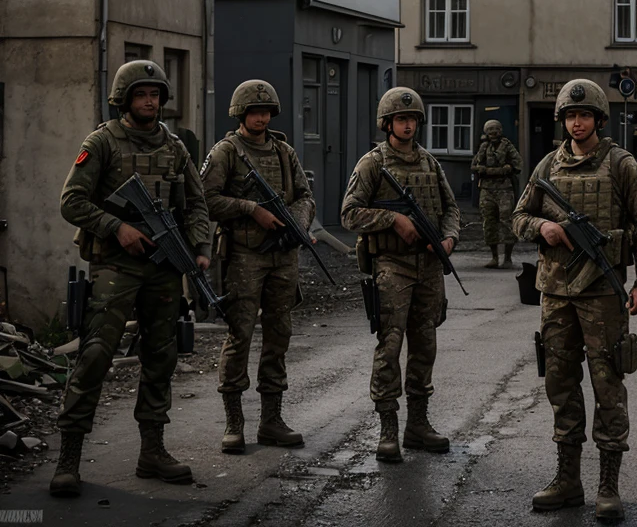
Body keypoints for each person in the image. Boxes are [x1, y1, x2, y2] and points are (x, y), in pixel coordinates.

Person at [49, 60, 212, 497]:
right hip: (115, 266)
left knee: (161, 357)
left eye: (155, 94)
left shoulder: (175, 147)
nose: (150, 101)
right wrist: (116, 227)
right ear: (124, 99)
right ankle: (69, 458)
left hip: (162, 268)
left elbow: (196, 204)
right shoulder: (101, 142)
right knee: (97, 353)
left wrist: (199, 250)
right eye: (141, 94)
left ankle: (152, 451)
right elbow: (72, 201)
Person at [511, 79, 637, 523]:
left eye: (585, 116)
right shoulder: (546, 168)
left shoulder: (620, 165)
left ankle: (608, 484)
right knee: (559, 383)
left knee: (608, 385)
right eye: (571, 116)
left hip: (603, 292)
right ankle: (568, 479)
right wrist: (543, 228)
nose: (577, 123)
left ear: (598, 119)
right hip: (556, 292)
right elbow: (519, 216)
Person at [341, 87, 461, 463]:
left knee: (425, 345)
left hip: (428, 266)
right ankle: (388, 428)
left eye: (412, 119)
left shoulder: (430, 163)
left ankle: (418, 425)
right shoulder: (372, 164)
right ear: (387, 123)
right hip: (391, 266)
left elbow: (450, 209)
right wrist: (393, 219)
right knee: (390, 346)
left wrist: (449, 238)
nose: (408, 125)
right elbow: (349, 213)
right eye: (401, 119)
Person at [201, 80, 315, 453]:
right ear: (240, 114)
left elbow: (304, 196)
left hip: (283, 256)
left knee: (279, 335)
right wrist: (252, 210)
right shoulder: (226, 153)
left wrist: (296, 222)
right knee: (240, 336)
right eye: (254, 111)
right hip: (244, 257)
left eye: (266, 112)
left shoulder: (283, 151)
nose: (261, 117)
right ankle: (234, 422)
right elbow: (206, 200)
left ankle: (272, 420)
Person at [471, 119, 523, 268]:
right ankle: (494, 257)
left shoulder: (507, 146)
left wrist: (505, 169)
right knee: (489, 223)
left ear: (501, 130)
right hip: (487, 190)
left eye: (496, 129)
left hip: (504, 189)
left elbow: (518, 164)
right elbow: (474, 165)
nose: (493, 133)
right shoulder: (484, 147)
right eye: (490, 130)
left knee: (506, 222)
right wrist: (489, 170)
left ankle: (507, 258)